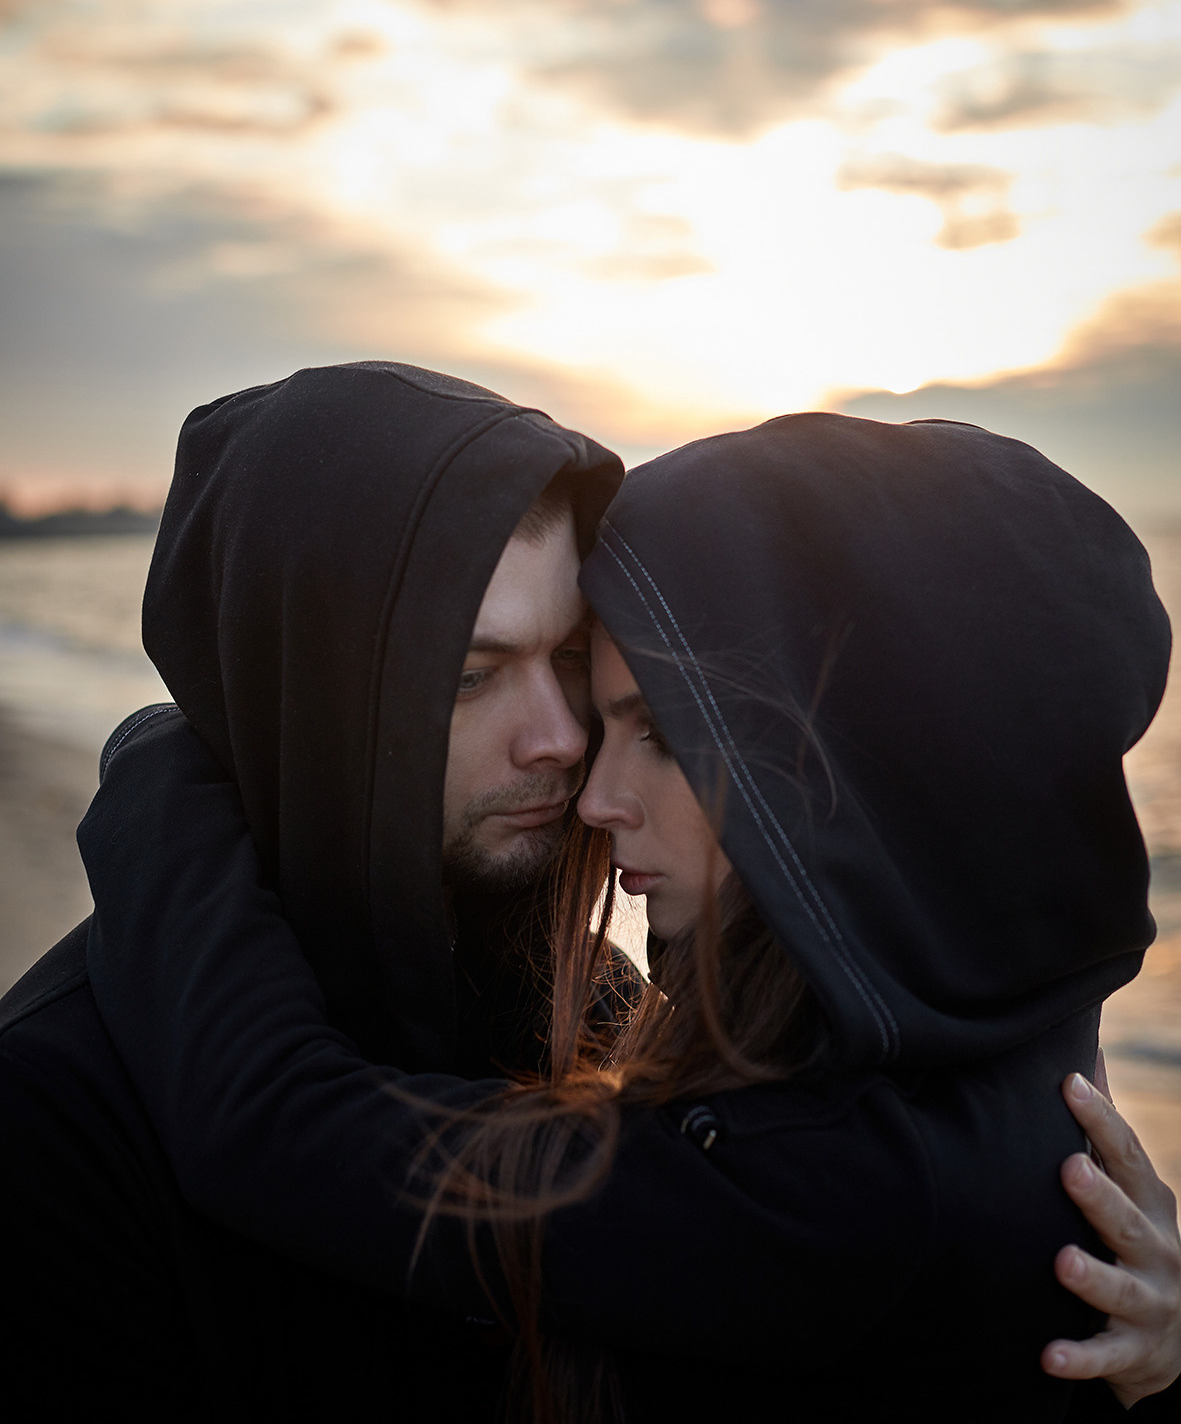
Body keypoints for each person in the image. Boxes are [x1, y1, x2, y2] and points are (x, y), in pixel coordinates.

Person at [75, 408, 1181, 1418]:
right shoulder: (971, 1035)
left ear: (845, 749)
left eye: (658, 726)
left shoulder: (840, 1188)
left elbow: (275, 1123)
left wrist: (161, 759)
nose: (591, 796)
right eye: (476, 674)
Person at [0, 361, 623, 1416]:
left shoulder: (591, 1007)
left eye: (570, 658)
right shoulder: (53, 1119)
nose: (559, 736)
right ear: (308, 682)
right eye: (469, 675)